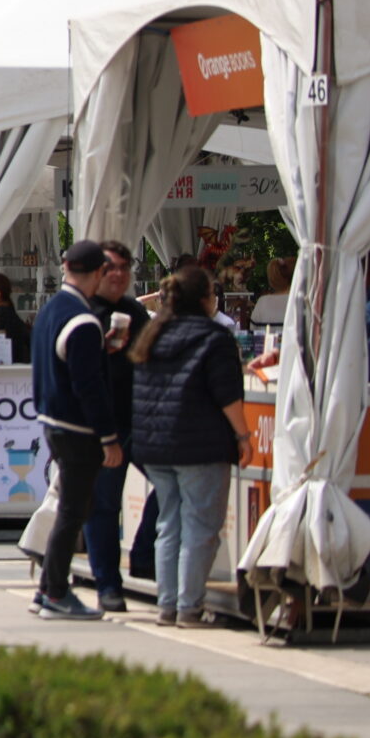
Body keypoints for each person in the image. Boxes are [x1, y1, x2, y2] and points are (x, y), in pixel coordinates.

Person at [130, 265, 244, 627]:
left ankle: (168, 603)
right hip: (201, 444)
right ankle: (189, 606)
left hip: (157, 445)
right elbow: (227, 394)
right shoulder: (215, 337)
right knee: (200, 526)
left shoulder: (152, 333)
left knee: (169, 523)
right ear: (205, 299)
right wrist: (242, 436)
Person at [29, 240, 123, 621]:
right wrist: (109, 437)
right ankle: (55, 591)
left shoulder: (52, 309)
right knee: (73, 510)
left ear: (66, 267)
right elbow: (90, 386)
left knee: (70, 507)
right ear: (98, 272)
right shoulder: (83, 320)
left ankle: (47, 588)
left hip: (52, 420)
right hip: (76, 427)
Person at [81, 241, 150, 614]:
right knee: (104, 506)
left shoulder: (134, 311)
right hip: (99, 427)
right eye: (111, 268)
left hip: (138, 421)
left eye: (125, 267)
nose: (119, 274)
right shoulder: (83, 311)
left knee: (173, 486)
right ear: (96, 272)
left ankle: (144, 556)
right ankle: (108, 584)